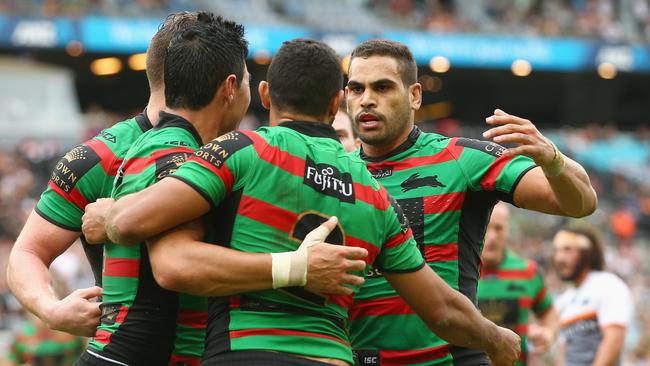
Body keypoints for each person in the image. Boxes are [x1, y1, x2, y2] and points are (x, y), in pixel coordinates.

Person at [94, 38, 520, 366]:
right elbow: (443, 310)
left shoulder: (243, 150)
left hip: (246, 351)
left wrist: (110, 214)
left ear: (264, 94)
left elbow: (149, 243)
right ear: (337, 102)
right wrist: (496, 339)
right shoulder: (375, 192)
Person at [78, 18, 368, 366]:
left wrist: (111, 214)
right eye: (246, 80)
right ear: (231, 88)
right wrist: (297, 266)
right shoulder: (178, 155)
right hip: (133, 356)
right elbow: (169, 262)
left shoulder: (171, 145)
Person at [345, 39, 597, 366]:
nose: (367, 100)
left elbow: (580, 203)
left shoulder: (463, 159)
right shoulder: (336, 172)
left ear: (414, 95)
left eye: (382, 87)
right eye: (356, 88)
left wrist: (553, 160)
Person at [5, 11, 199, 338]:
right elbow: (27, 252)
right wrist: (52, 309)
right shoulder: (96, 158)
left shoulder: (238, 152)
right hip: (128, 351)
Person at [477, 203, 558, 366]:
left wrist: (548, 334)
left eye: (498, 228)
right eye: (486, 227)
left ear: (508, 230)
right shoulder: (458, 272)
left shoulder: (528, 271)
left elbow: (549, 313)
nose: (492, 236)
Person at [553, 225, 633, 366]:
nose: (559, 258)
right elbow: (564, 352)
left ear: (587, 253)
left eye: (568, 250)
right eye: (557, 250)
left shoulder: (608, 285)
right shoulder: (564, 299)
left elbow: (614, 339)